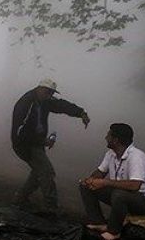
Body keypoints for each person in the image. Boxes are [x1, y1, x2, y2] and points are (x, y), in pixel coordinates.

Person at [10, 78, 90, 213]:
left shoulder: (44, 100)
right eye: (48, 92)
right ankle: (51, 207)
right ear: (39, 89)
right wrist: (43, 141)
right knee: (47, 171)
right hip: (24, 145)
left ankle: (20, 198)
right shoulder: (25, 103)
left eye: (52, 93)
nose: (50, 96)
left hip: (36, 143)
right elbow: (19, 131)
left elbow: (61, 105)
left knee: (38, 171)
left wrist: (80, 112)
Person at [80, 123, 145, 240]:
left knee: (119, 194)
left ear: (116, 140)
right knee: (86, 186)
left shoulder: (136, 157)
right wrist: (91, 180)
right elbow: (100, 172)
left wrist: (105, 182)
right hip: (121, 195)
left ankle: (114, 232)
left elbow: (135, 186)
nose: (106, 138)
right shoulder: (111, 154)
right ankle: (98, 222)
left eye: (108, 135)